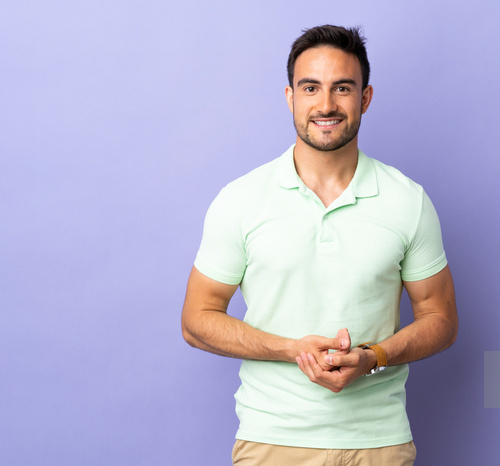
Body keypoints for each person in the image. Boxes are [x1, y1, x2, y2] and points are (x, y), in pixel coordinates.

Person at [181, 24, 458, 466]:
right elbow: (196, 320)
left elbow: (441, 319)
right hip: (272, 439)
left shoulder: (408, 200)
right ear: (290, 96)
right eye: (310, 87)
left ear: (365, 98)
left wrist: (373, 356)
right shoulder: (241, 199)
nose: (326, 104)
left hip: (379, 442)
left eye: (342, 88)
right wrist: (293, 350)